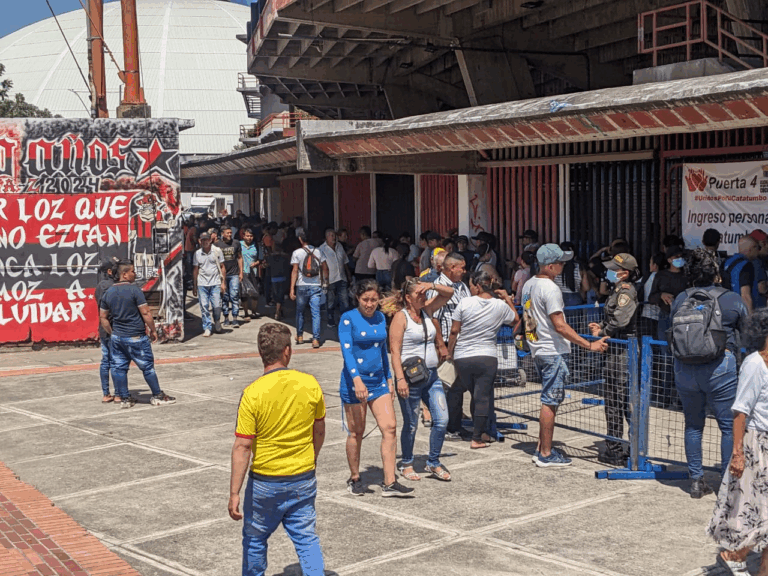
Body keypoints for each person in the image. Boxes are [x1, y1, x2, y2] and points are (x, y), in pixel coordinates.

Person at [229, 323, 326, 576]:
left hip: (265, 481)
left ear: (262, 354)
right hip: (303, 477)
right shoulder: (310, 384)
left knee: (255, 539)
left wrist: (234, 492)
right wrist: (311, 458)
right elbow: (319, 430)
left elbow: (243, 446)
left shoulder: (252, 394)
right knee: (306, 539)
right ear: (287, 351)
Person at [521, 244, 608, 467]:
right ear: (551, 266)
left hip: (538, 348)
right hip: (552, 350)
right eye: (560, 262)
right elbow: (559, 325)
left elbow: (528, 319)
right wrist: (589, 345)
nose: (563, 265)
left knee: (549, 399)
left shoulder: (529, 285)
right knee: (550, 401)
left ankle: (542, 447)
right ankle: (546, 454)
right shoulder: (550, 289)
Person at [671, 248, 747, 498]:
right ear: (716, 273)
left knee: (693, 426)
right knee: (727, 426)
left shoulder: (681, 298)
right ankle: (727, 486)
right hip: (720, 367)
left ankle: (696, 481)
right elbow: (747, 329)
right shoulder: (731, 298)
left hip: (684, 368)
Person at [339, 280, 414, 498]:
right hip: (356, 384)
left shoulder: (381, 318)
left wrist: (390, 379)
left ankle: (390, 481)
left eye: (374, 300)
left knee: (390, 427)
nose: (370, 304)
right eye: (365, 300)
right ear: (357, 299)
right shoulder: (348, 319)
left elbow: (383, 351)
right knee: (357, 432)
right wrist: (356, 380)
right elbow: (347, 353)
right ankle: (355, 477)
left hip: (379, 382)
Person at [707, 308, 768, 575]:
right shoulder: (755, 364)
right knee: (754, 510)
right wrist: (738, 453)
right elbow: (740, 412)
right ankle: (734, 554)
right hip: (757, 444)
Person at [389, 278, 455, 481]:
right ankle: (407, 462)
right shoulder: (401, 318)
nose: (423, 296)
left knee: (442, 419)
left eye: (423, 292)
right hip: (410, 378)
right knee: (410, 424)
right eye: (419, 293)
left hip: (431, 375)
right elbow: (394, 350)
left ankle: (433, 462)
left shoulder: (426, 310)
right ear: (408, 298)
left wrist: (431, 286)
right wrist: (399, 379)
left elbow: (449, 293)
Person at [448, 269, 518, 449]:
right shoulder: (500, 306)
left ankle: (461, 428)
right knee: (481, 396)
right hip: (487, 356)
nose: (470, 289)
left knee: (466, 391)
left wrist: (449, 352)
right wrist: (507, 299)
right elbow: (515, 320)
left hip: (463, 356)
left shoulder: (465, 303)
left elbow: (454, 331)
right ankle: (478, 436)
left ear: (478, 286)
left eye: (471, 286)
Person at [99, 260, 176, 408]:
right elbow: (146, 312)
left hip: (118, 337)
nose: (135, 274)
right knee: (147, 367)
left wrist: (112, 333)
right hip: (136, 336)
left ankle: (125, 398)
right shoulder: (135, 290)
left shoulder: (108, 293)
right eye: (133, 271)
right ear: (125, 274)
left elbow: (103, 317)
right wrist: (153, 330)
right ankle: (157, 395)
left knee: (119, 367)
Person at [588, 253, 640, 465]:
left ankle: (625, 449)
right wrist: (600, 326)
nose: (610, 272)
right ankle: (614, 446)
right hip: (614, 349)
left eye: (614, 269)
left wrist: (603, 332)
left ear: (625, 272)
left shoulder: (627, 291)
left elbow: (620, 319)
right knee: (612, 399)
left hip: (622, 350)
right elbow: (611, 315)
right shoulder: (617, 290)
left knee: (620, 399)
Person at [289, 231, 329, 348]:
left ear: (301, 239)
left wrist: (292, 288)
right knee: (315, 313)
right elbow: (325, 268)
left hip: (301, 285)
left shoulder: (297, 253)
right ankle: (316, 339)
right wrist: (326, 282)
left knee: (300, 312)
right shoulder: (319, 251)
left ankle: (300, 336)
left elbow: (295, 271)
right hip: (316, 286)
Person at [648, 245, 689, 340]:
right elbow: (651, 298)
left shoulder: (687, 276)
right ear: (669, 260)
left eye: (681, 257)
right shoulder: (661, 276)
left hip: (683, 316)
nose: (680, 259)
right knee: (664, 345)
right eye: (676, 257)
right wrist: (661, 295)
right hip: (665, 316)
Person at [194, 232, 227, 337]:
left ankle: (217, 321)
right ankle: (207, 327)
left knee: (217, 305)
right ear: (200, 241)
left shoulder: (217, 251)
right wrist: (195, 285)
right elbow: (195, 270)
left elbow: (222, 267)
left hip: (215, 282)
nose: (205, 242)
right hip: (202, 283)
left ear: (210, 240)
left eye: (206, 239)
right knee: (204, 306)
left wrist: (223, 283)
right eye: (202, 240)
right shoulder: (197, 253)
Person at [95, 258, 118, 403]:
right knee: (117, 361)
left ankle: (106, 393)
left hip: (103, 328)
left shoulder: (99, 287)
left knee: (106, 361)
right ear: (110, 271)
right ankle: (119, 393)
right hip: (115, 328)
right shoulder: (115, 286)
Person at [318, 228, 350, 328]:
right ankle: (330, 320)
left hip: (341, 277)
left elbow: (345, 261)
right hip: (330, 280)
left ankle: (344, 319)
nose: (334, 237)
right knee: (330, 301)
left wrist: (348, 274)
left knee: (344, 300)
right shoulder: (321, 249)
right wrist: (322, 281)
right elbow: (320, 267)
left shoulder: (339, 246)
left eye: (334, 235)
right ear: (327, 237)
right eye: (331, 235)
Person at [722, 235, 762, 314]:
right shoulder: (746, 265)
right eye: (758, 248)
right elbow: (745, 295)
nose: (758, 251)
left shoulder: (726, 262)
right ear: (752, 248)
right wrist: (750, 320)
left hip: (725, 308)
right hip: (740, 311)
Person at [216, 226, 244, 327]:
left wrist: (241, 272)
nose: (229, 235)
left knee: (234, 295)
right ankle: (226, 317)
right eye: (227, 233)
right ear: (222, 234)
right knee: (224, 297)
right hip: (222, 275)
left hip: (234, 274)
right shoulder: (217, 245)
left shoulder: (236, 243)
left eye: (230, 233)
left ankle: (235, 318)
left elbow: (240, 258)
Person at [637, 252, 667, 338]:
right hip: (661, 317)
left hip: (646, 316)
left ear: (655, 265)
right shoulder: (666, 277)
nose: (649, 265)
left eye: (650, 263)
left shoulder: (647, 277)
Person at [267, 242, 291, 321]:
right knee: (281, 295)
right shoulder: (285, 257)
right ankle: (278, 311)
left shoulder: (270, 258)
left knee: (276, 295)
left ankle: (278, 311)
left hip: (274, 278)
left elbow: (267, 267)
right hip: (283, 278)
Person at [240, 228, 261, 320]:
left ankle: (253, 312)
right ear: (244, 236)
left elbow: (260, 259)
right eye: (247, 236)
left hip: (253, 273)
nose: (249, 238)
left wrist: (256, 263)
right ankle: (246, 313)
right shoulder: (239, 245)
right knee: (243, 295)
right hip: (242, 272)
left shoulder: (256, 245)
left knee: (255, 294)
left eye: (251, 236)